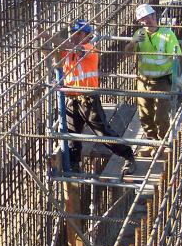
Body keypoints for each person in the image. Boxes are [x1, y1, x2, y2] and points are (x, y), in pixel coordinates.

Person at [39, 19, 138, 177]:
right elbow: (49, 53)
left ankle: (128, 155)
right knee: (72, 135)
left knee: (102, 133)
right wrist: (42, 39)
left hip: (88, 98)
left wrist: (48, 36)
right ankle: (73, 166)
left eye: (79, 34)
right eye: (73, 33)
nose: (75, 36)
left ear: (88, 36)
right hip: (71, 98)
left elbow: (73, 48)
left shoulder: (90, 49)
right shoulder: (67, 51)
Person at [125, 4, 182, 157]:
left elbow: (176, 58)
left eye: (148, 17)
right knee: (145, 114)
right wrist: (133, 42)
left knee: (161, 115)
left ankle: (163, 143)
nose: (146, 21)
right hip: (143, 80)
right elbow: (126, 54)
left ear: (154, 16)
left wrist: (177, 79)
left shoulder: (167, 34)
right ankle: (152, 143)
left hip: (162, 81)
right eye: (142, 20)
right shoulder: (139, 34)